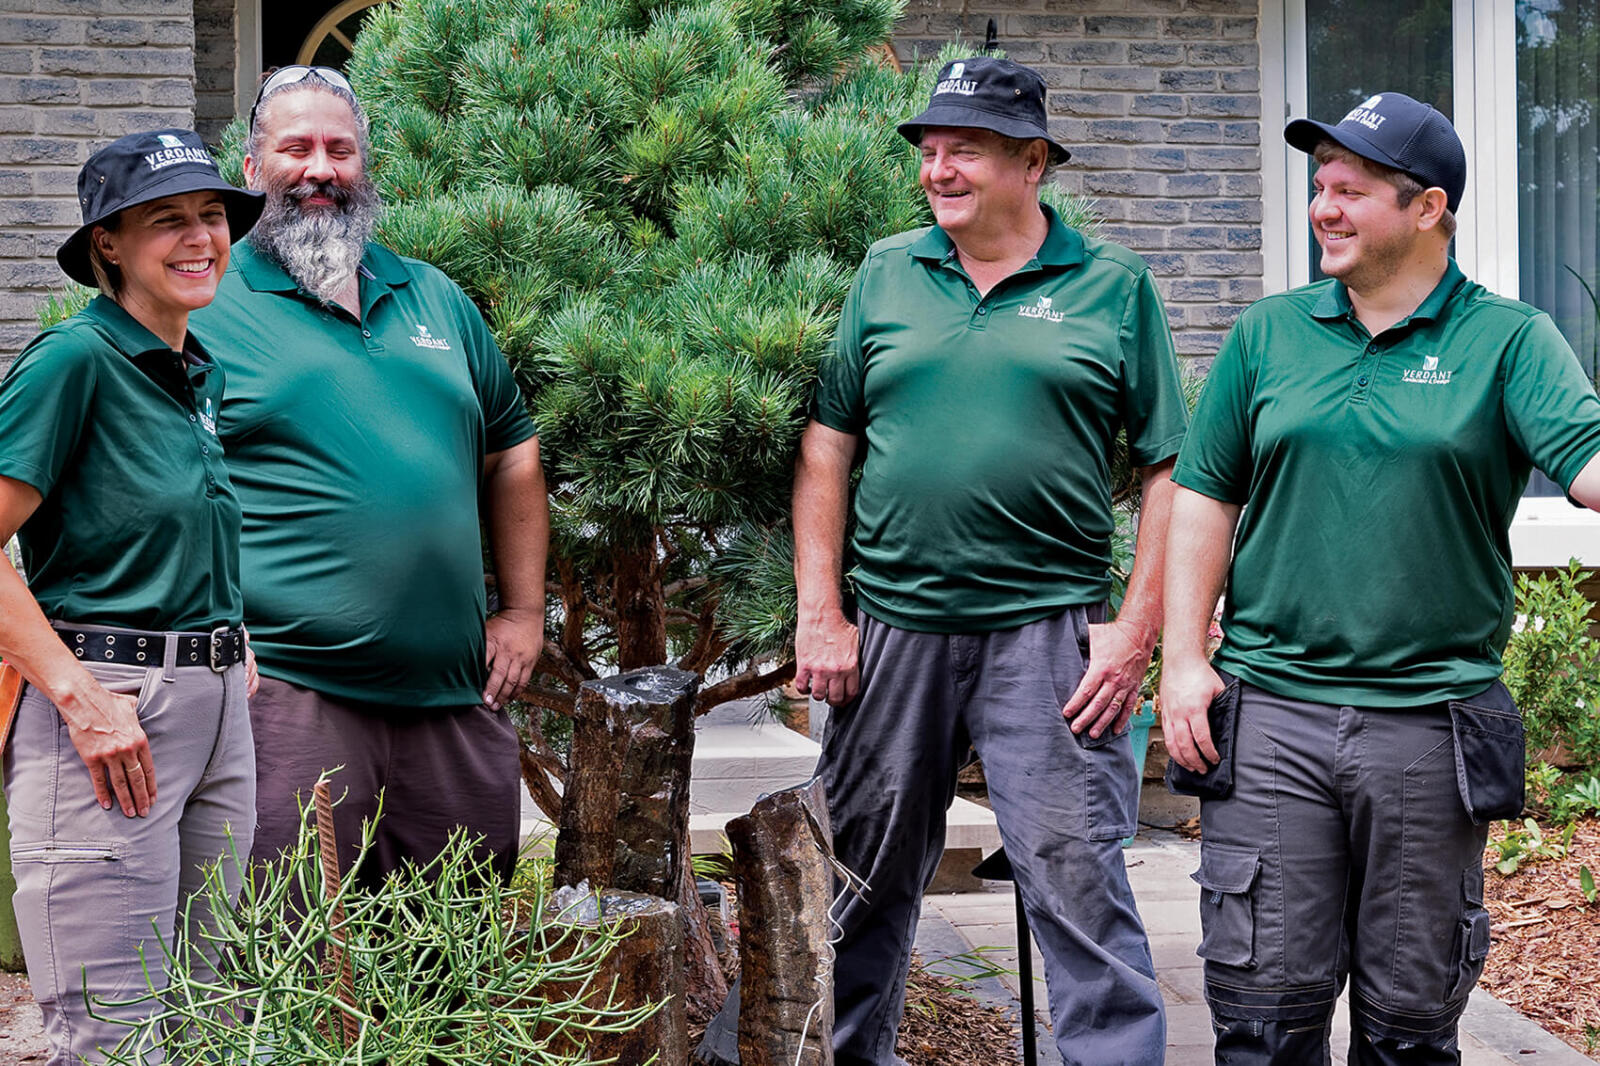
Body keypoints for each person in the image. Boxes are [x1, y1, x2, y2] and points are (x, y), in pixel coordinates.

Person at [1161, 91, 1600, 1065]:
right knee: (1263, 1015)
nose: (1323, 206)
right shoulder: (1267, 335)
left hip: (1427, 724)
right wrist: (1182, 658)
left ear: (1426, 208)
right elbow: (1202, 497)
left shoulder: (1509, 341)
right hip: (1273, 712)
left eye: (1350, 191)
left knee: (1408, 1024)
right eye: (1319, 186)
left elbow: (1588, 467)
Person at [793, 56, 1188, 1066]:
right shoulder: (887, 272)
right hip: (891, 632)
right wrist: (820, 611)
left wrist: (1135, 628)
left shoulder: (1112, 288)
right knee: (856, 881)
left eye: (962, 148)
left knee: (1075, 882)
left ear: (1031, 160)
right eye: (926, 151)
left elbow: (1166, 471)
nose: (937, 169)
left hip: (1050, 636)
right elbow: (828, 445)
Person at [189, 66, 549, 885]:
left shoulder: (432, 295)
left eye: (339, 150)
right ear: (251, 167)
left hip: (455, 698)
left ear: (364, 164)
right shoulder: (212, 304)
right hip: (287, 696)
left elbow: (514, 451)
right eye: (296, 148)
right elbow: (158, 480)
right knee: (291, 956)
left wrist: (525, 611)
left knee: (452, 961)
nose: (320, 169)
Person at [0, 128, 262, 1065]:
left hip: (214, 704)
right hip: (112, 714)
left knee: (210, 1018)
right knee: (118, 1034)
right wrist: (79, 696)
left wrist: (228, 637)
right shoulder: (73, 362)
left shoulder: (196, 373)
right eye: (166, 221)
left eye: (211, 214)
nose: (200, 237)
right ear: (108, 244)